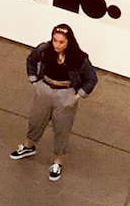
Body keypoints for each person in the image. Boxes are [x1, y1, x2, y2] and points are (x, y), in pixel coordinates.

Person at [9, 23, 98, 181]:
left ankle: (57, 161)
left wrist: (77, 97)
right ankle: (28, 146)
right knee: (36, 119)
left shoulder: (78, 58)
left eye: (61, 42)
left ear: (68, 42)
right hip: (45, 88)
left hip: (66, 93)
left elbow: (91, 78)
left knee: (62, 128)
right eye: (55, 40)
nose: (57, 45)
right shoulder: (44, 50)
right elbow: (31, 60)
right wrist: (34, 81)